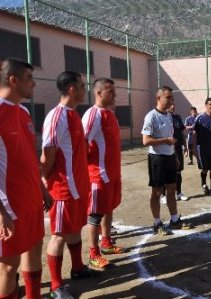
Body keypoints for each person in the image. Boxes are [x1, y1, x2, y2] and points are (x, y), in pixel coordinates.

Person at [41, 71, 100, 298]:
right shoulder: (56, 117)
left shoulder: (74, 115)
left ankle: (78, 269)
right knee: (59, 235)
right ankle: (56, 286)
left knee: (75, 229)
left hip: (78, 186)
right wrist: (43, 184)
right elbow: (48, 155)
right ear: (72, 89)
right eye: (82, 86)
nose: (85, 89)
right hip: (62, 188)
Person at [0, 58, 52, 299]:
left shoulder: (22, 112)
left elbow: (29, 156)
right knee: (8, 267)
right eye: (30, 78)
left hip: (31, 198)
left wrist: (42, 189)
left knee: (34, 249)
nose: (34, 84)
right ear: (14, 80)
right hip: (9, 206)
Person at [82, 78, 123, 270]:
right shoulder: (93, 115)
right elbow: (81, 145)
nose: (114, 94)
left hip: (113, 174)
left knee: (109, 208)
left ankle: (106, 243)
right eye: (110, 91)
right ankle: (93, 254)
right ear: (99, 93)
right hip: (98, 174)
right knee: (95, 214)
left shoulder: (110, 114)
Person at [141, 86, 193, 236]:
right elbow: (145, 140)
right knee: (157, 192)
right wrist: (165, 141)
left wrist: (175, 157)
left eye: (172, 97)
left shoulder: (169, 116)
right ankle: (157, 223)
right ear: (158, 98)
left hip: (170, 157)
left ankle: (174, 220)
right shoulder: (151, 116)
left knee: (172, 189)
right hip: (157, 158)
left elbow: (172, 140)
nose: (171, 100)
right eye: (168, 97)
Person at [161, 103, 189, 202]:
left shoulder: (177, 118)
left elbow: (181, 133)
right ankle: (163, 196)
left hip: (177, 149)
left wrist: (185, 146)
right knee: (165, 173)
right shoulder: (161, 118)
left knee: (178, 172)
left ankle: (179, 193)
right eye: (170, 105)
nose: (173, 106)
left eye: (173, 104)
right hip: (166, 150)